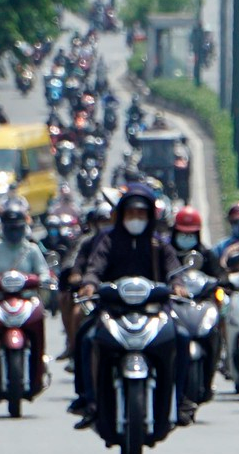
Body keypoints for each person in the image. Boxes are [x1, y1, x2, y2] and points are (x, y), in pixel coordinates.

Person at [67, 183, 183, 427]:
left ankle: (181, 400)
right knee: (87, 338)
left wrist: (177, 284)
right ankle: (88, 400)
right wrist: (89, 284)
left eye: (141, 214)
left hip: (154, 311)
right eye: (131, 214)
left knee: (181, 336)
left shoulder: (159, 244)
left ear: (150, 216)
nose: (136, 219)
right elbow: (94, 268)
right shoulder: (108, 241)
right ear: (121, 216)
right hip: (113, 310)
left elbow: (174, 270)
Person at [0, 205, 54, 395]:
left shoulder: (32, 249)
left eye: (17, 227)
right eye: (10, 227)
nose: (14, 231)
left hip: (27, 301)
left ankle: (40, 367)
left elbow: (43, 271)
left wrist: (45, 279)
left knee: (39, 321)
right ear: (2, 228)